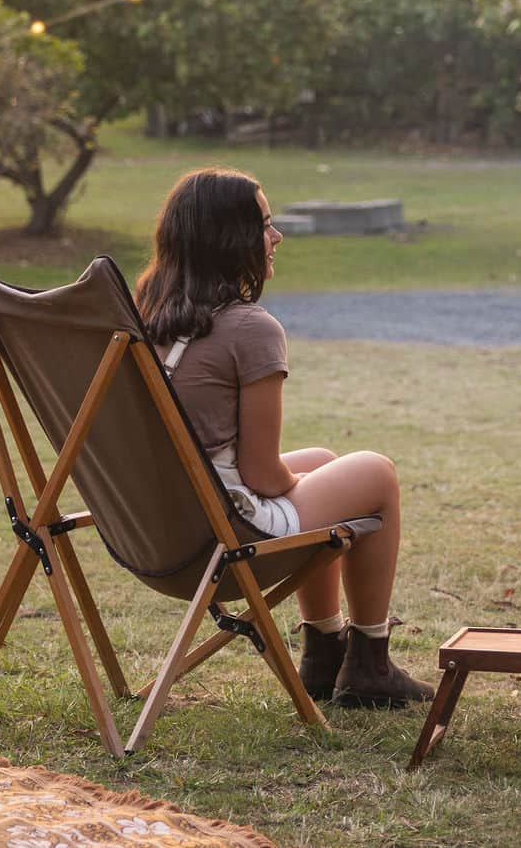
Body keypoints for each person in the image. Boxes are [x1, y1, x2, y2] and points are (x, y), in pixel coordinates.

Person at [134, 167, 433, 708]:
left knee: (323, 458)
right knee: (376, 472)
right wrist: (295, 487)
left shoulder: (147, 324)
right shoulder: (250, 329)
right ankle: (369, 662)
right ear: (230, 240)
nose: (277, 236)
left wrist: (305, 481)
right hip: (221, 536)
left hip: (151, 532)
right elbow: (261, 475)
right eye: (265, 224)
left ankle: (324, 650)